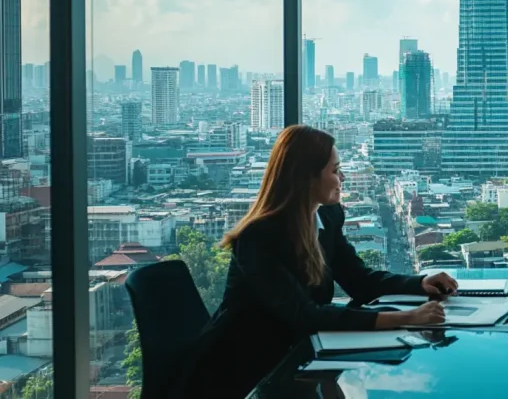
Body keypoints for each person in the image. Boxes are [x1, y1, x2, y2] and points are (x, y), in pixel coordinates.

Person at [176, 125, 458, 399]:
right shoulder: (258, 237)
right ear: (307, 178)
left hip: (297, 358)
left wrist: (420, 283)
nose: (342, 177)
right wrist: (406, 318)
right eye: (335, 170)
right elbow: (304, 315)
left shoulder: (328, 216)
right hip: (242, 372)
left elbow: (359, 281)